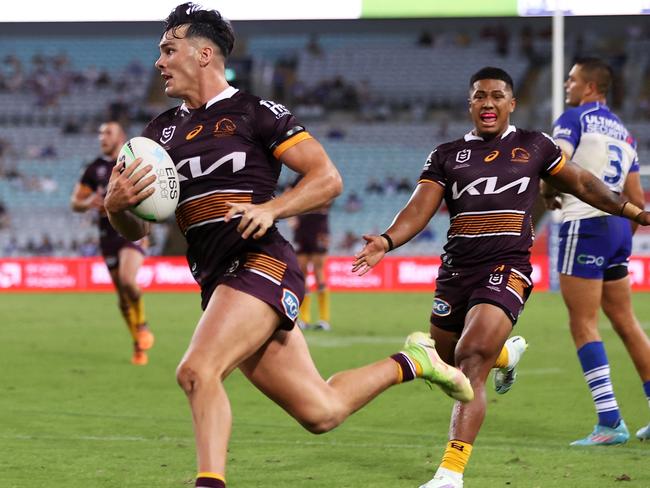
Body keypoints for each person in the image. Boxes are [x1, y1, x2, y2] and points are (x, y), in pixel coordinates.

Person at [103, 5, 473, 488]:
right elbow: (141, 233)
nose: (159, 61)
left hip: (260, 262)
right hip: (218, 280)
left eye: (168, 49)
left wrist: (272, 209)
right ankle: (413, 362)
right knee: (321, 411)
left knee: (197, 371)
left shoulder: (256, 113)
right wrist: (115, 209)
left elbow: (328, 178)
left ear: (204, 53)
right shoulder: (158, 135)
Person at [352, 66, 650, 488]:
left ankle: (450, 474)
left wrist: (632, 211)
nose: (488, 104)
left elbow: (581, 182)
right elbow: (419, 209)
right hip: (456, 271)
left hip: (507, 267)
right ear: (470, 103)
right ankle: (506, 355)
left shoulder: (535, 146)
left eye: (496, 96)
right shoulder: (446, 154)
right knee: (449, 367)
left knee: (472, 360)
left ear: (511, 103)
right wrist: (386, 240)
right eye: (479, 96)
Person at [543, 57, 650, 445]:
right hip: (619, 228)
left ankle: (610, 422)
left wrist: (547, 191)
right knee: (626, 321)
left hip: (584, 224)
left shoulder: (573, 119)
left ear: (590, 87)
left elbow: (556, 164)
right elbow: (636, 197)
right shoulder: (625, 133)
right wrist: (620, 229)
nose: (568, 85)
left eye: (572, 79)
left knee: (583, 322)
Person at [70, 121, 154, 366]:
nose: (102, 137)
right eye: (100, 133)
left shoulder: (134, 163)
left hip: (132, 232)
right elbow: (75, 202)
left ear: (121, 137)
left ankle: (143, 324)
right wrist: (89, 204)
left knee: (128, 280)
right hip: (107, 236)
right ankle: (137, 343)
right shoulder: (94, 169)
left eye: (108, 133)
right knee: (121, 295)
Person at [289, 174, 332, 330]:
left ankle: (324, 320)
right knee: (302, 273)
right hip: (302, 228)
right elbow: (289, 193)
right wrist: (291, 216)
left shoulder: (323, 173)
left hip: (319, 227)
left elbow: (329, 197)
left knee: (319, 272)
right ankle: (304, 319)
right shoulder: (298, 178)